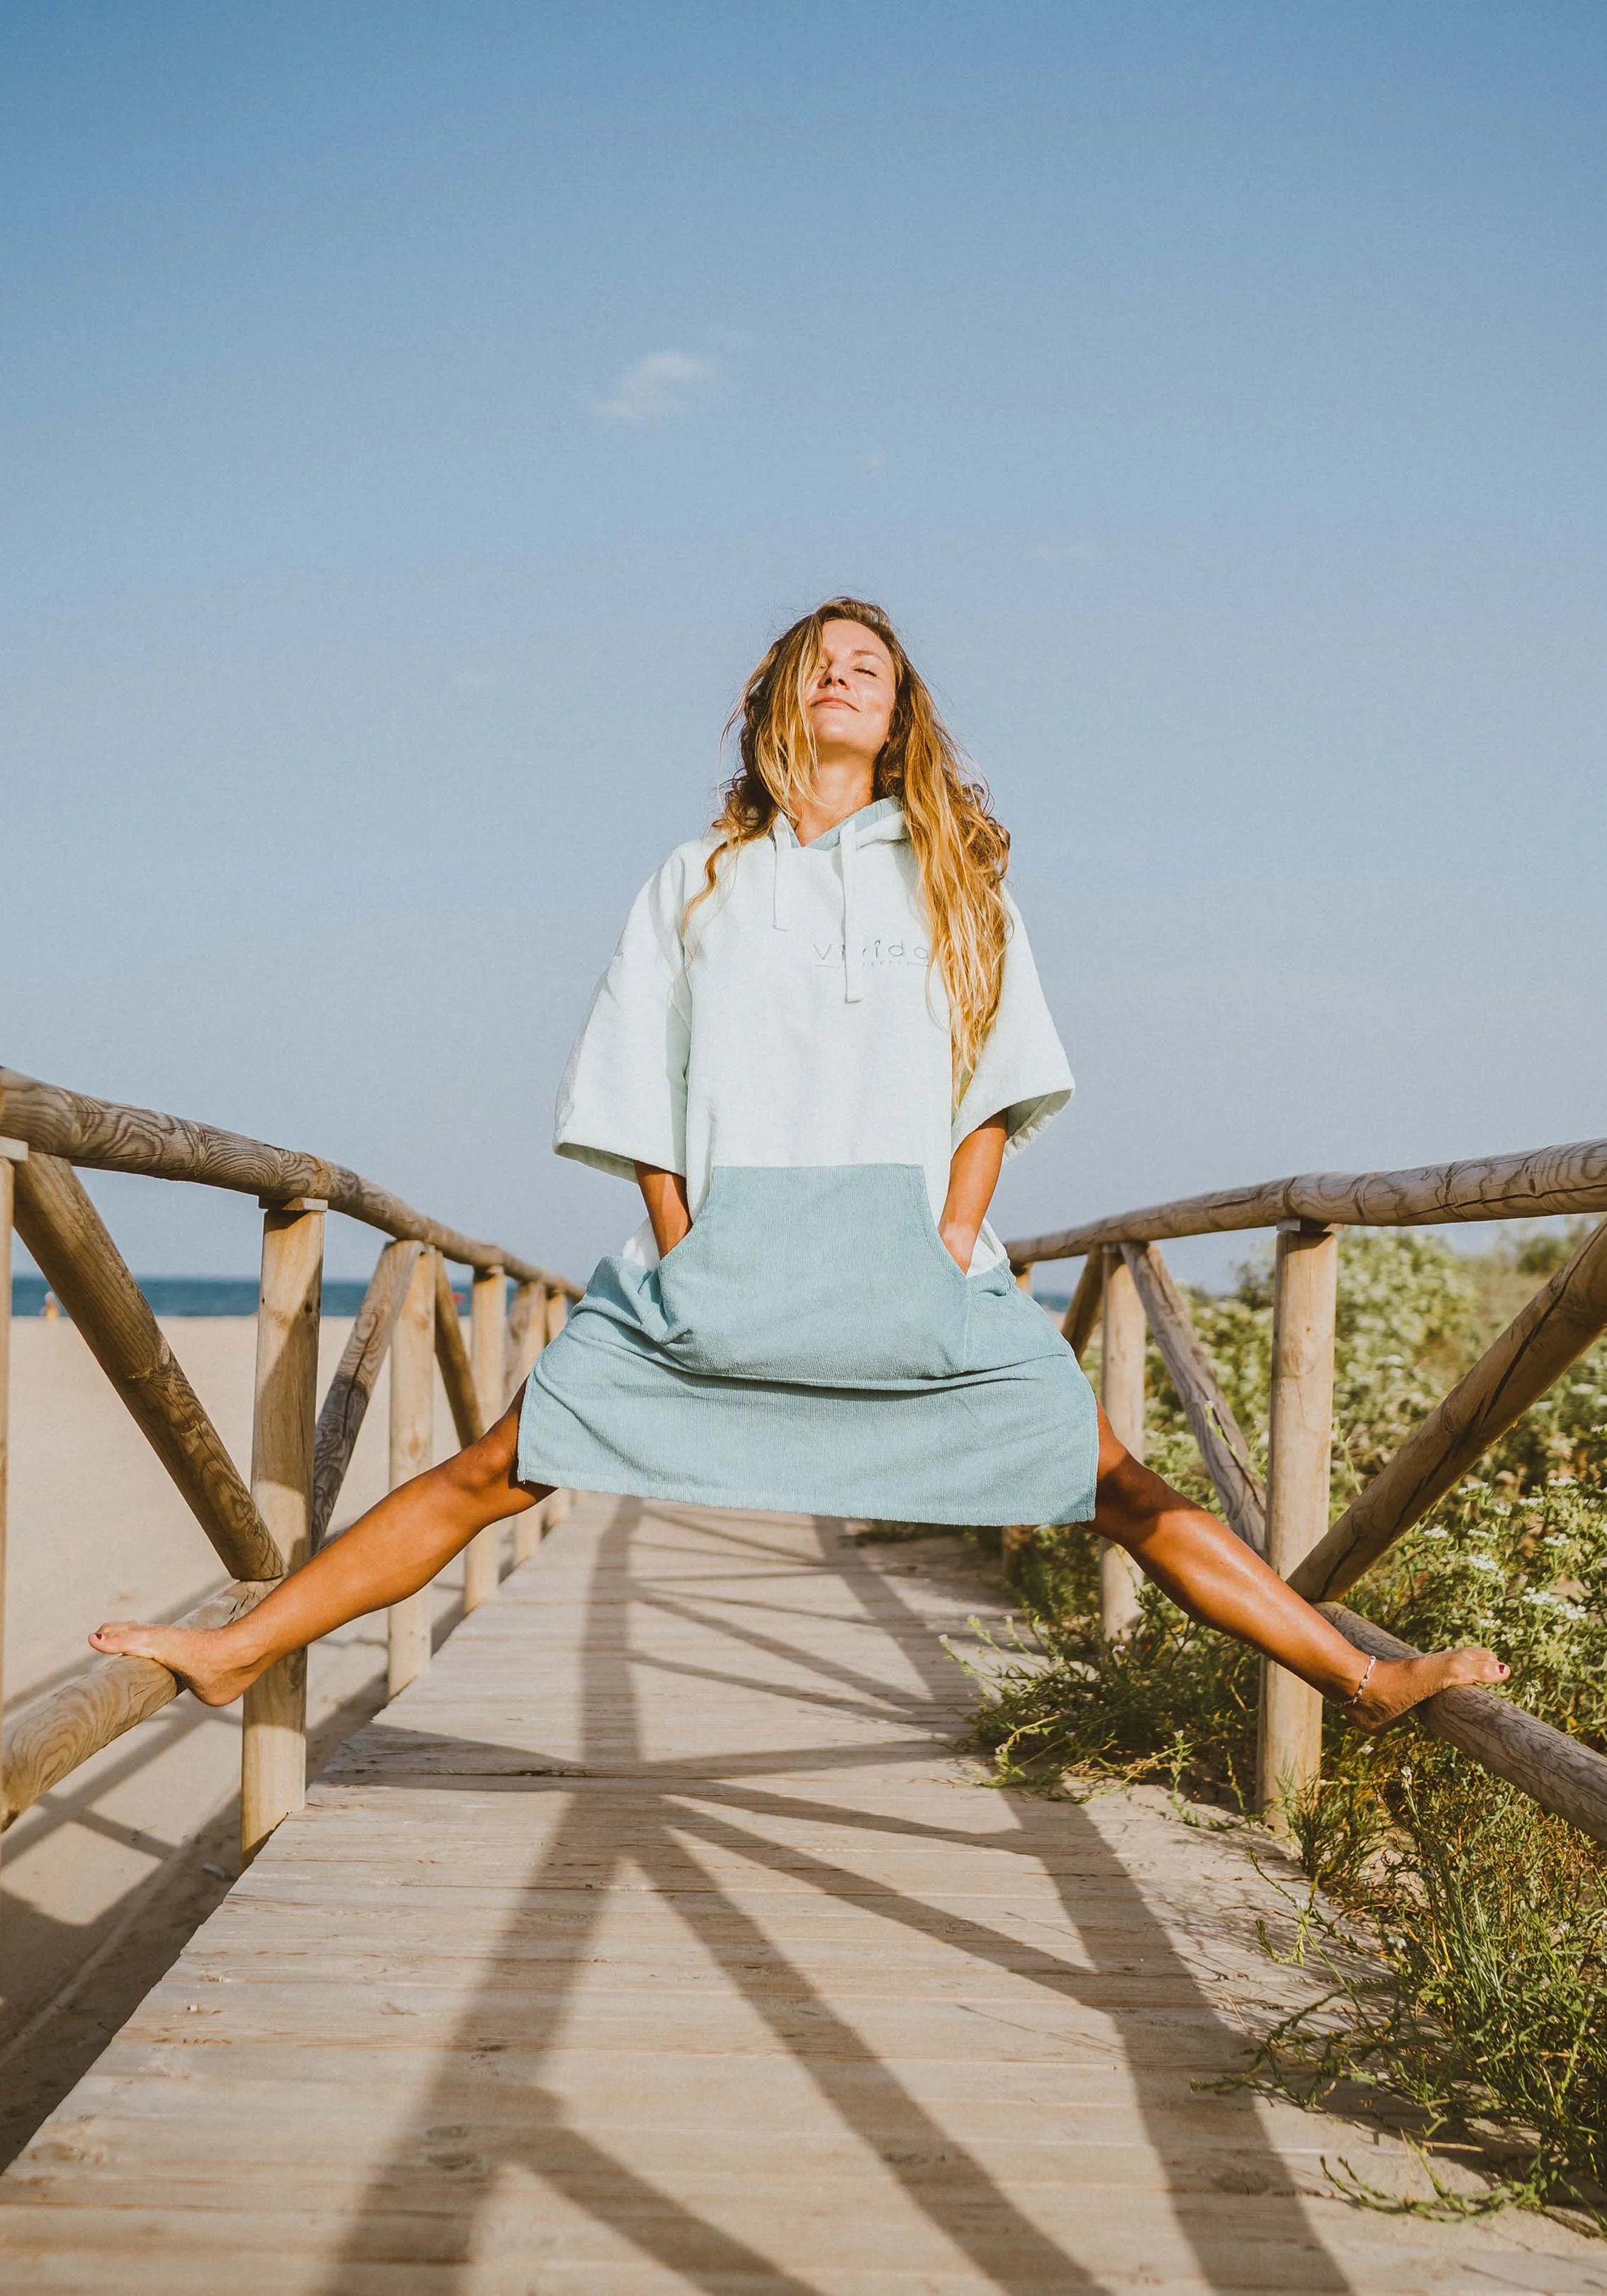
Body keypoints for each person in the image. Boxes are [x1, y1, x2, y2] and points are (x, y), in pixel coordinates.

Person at [91, 598, 1507, 1732]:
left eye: (869, 667)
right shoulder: (699, 875)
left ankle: (1360, 1680)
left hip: (909, 1275)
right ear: (783, 699)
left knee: (1120, 1488)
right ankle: (241, 1650)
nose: (842, 676)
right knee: (499, 1464)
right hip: (722, 1270)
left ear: (898, 718)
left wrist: (955, 1237)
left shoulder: (956, 880)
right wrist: (683, 1238)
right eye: (820, 662)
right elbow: (639, 1079)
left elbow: (994, 1080)